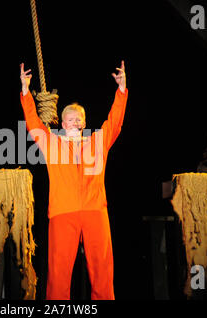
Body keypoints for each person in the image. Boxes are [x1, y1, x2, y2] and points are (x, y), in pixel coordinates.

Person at [20, 61, 129, 300]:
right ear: (62, 122)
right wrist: (26, 91)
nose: (75, 122)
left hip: (95, 211)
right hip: (63, 212)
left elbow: (115, 122)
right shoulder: (52, 145)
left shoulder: (98, 142)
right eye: (69, 118)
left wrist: (121, 91)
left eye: (79, 118)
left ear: (84, 122)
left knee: (102, 270)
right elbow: (33, 124)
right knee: (58, 273)